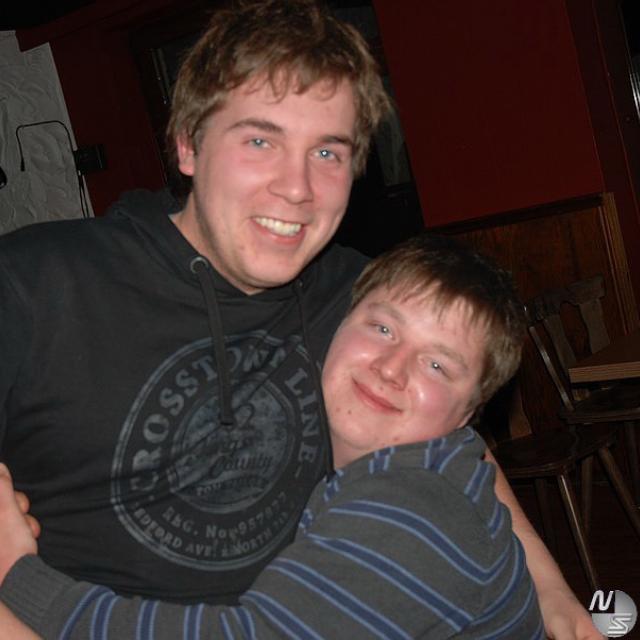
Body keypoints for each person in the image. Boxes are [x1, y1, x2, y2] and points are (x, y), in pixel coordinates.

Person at [0, 0, 600, 637]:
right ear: (188, 144)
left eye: (328, 153)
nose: (297, 187)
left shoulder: (359, 300)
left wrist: (552, 592)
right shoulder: (32, 285)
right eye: (260, 140)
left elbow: (446, 435)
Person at [0, 234, 545, 638]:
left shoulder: (414, 510)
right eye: (383, 329)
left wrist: (15, 574)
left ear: (468, 414)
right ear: (338, 325)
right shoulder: (417, 470)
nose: (390, 368)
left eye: (437, 366)